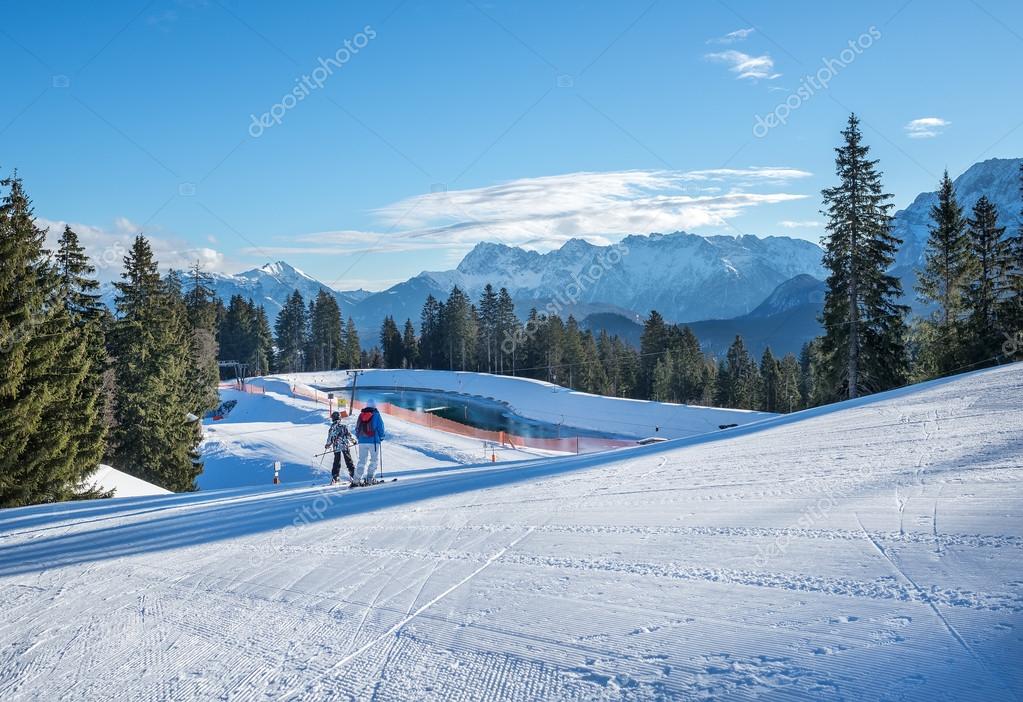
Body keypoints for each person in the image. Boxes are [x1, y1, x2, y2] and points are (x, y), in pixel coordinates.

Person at [354, 400, 386, 485]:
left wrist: (359, 438)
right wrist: (381, 437)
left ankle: (356, 480)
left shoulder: (361, 415)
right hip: (374, 442)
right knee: (373, 460)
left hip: (362, 441)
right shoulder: (376, 415)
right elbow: (380, 427)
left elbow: (357, 427)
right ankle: (370, 479)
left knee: (361, 460)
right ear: (375, 406)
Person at [325, 411, 355, 485]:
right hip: (344, 446)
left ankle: (335, 477)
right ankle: (353, 475)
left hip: (336, 447)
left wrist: (328, 445)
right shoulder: (343, 427)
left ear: (333, 419)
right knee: (348, 460)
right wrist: (353, 441)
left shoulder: (332, 428)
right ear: (339, 418)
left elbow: (330, 438)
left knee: (336, 461)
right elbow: (348, 435)